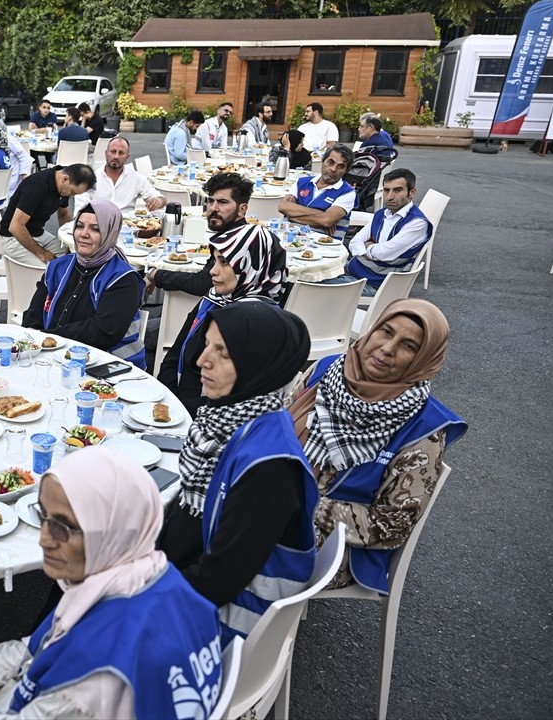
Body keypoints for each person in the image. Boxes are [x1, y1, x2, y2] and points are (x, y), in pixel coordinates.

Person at [0, 449, 223, 720]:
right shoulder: (145, 572)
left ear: (109, 530)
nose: (45, 539)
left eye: (64, 526)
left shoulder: (93, 674)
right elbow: (37, 646)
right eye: (44, 516)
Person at [159, 302, 317, 644]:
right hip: (185, 572)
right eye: (207, 345)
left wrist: (135, 590)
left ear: (260, 366)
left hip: (213, 623)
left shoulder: (269, 468)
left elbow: (218, 580)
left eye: (223, 353)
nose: (201, 360)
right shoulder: (233, 417)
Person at [288, 299, 467, 592]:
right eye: (385, 331)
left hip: (337, 546)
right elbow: (275, 426)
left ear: (425, 360)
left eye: (409, 346)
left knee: (241, 548)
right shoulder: (325, 370)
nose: (387, 348)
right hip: (277, 502)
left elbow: (390, 526)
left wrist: (303, 503)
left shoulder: (425, 430)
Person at [157, 223, 287, 414]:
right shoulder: (215, 299)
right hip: (177, 402)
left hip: (209, 418)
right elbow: (174, 355)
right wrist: (163, 397)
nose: (213, 271)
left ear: (252, 266)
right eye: (215, 261)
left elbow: (238, 403)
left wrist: (176, 411)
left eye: (225, 263)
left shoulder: (259, 324)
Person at [24, 200, 147, 367]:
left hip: (107, 367)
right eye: (80, 226)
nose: (84, 234)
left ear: (110, 233)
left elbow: (103, 331)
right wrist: (32, 333)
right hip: (53, 356)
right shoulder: (58, 267)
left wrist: (49, 337)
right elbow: (34, 311)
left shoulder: (123, 279)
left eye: (95, 229)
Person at [321, 169, 432, 296]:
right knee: (314, 271)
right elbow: (354, 242)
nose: (390, 196)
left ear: (412, 192)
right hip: (355, 269)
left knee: (310, 284)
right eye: (386, 190)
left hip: (375, 284)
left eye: (397, 190)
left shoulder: (417, 223)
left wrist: (368, 246)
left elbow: (383, 253)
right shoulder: (382, 213)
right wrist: (368, 251)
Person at [147, 172, 251, 298]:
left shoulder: (236, 241)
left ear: (242, 209)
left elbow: (202, 284)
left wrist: (155, 274)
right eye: (211, 201)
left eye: (222, 202)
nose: (214, 208)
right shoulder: (235, 233)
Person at [0, 163, 96, 266]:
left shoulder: (63, 187)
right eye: (72, 192)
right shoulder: (36, 185)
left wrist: (68, 243)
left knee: (74, 258)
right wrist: (42, 253)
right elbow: (15, 227)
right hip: (13, 238)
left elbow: (63, 215)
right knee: (49, 271)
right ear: (65, 179)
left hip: (37, 233)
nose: (71, 196)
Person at [278, 143, 356, 239]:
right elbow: (283, 206)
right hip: (290, 237)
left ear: (346, 170)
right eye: (330, 162)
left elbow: (326, 220)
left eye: (340, 166)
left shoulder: (347, 193)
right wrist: (321, 217)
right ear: (323, 161)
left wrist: (291, 215)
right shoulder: (301, 182)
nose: (333, 169)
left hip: (323, 245)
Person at [75, 136, 164, 214]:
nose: (116, 156)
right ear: (106, 153)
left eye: (121, 153)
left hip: (127, 226)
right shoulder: (90, 179)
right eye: (113, 151)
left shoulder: (136, 178)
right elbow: (80, 210)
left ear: (127, 157)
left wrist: (158, 201)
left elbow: (160, 198)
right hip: (97, 225)